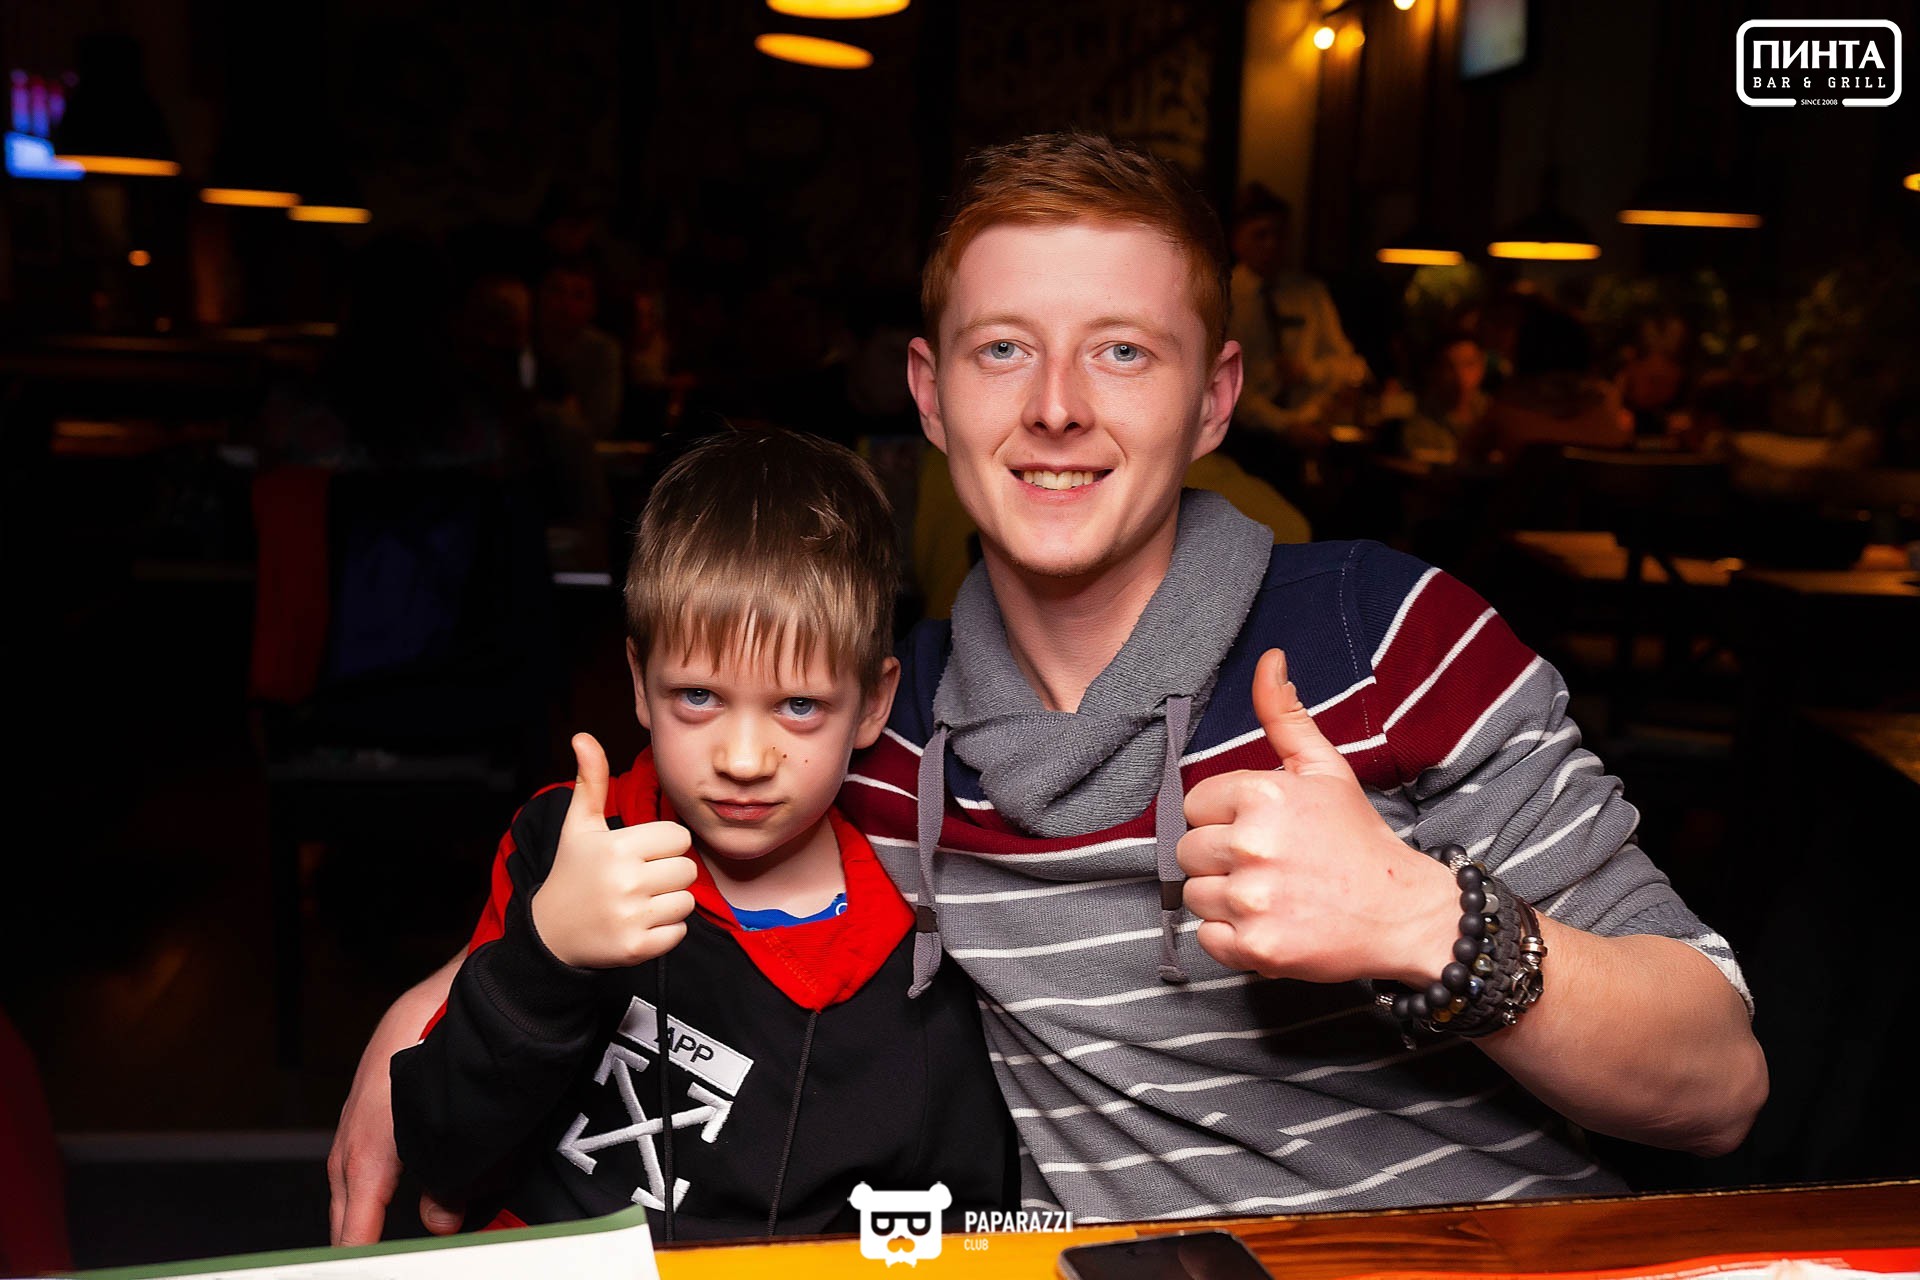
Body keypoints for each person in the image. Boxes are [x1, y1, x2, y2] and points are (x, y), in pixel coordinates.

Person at [330, 133, 1764, 1243]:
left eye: (1122, 352)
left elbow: (1719, 1086)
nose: (1059, 406)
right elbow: (663, 831)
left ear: (1214, 398)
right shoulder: (872, 728)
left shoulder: (1385, 640)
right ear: (929, 392)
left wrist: (1423, 920)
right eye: (1004, 348)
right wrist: (430, 1008)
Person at [386, 427, 1014, 1241]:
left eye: (799, 706)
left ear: (872, 704)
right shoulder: (566, 848)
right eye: (698, 697)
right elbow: (441, 1158)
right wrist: (546, 960)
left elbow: (958, 1225)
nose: (743, 760)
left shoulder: (920, 952)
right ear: (639, 683)